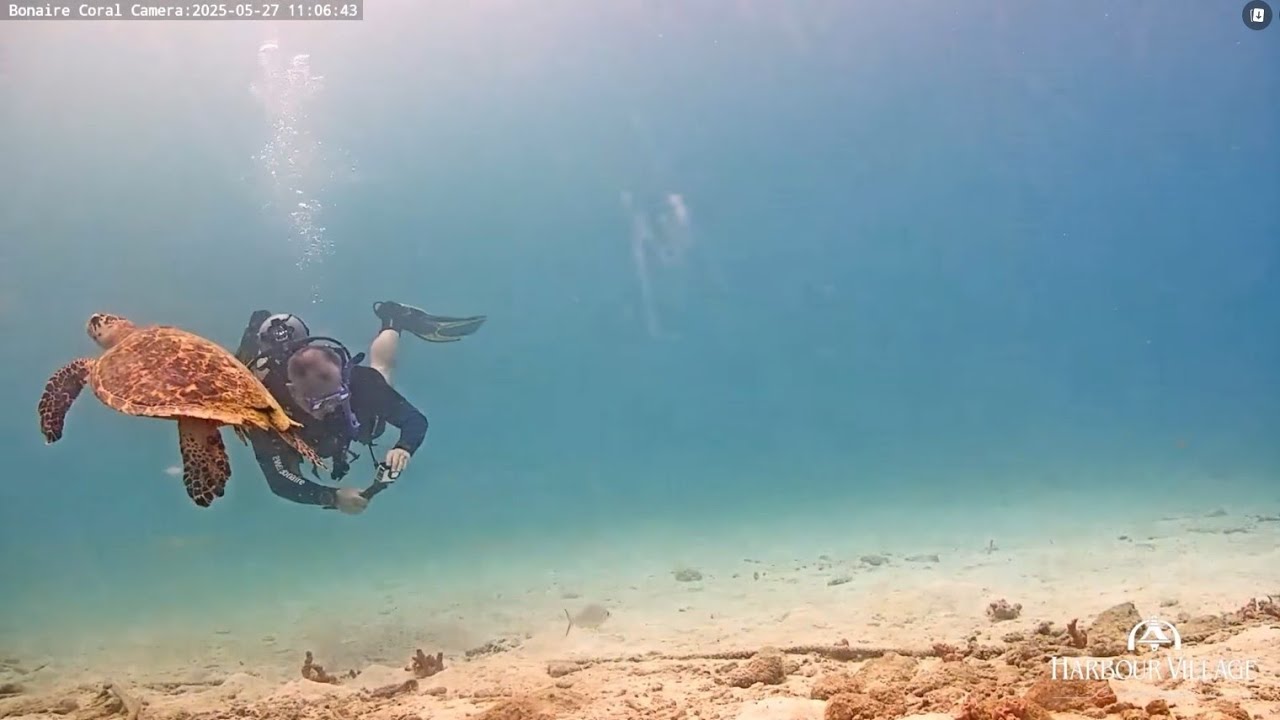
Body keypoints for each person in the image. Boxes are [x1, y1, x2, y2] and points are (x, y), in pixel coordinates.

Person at [233, 301, 485, 514]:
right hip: (298, 430)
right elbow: (280, 480)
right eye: (317, 403)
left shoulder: (361, 382)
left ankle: (393, 320)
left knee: (381, 373)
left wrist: (403, 448)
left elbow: (414, 420)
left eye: (336, 395)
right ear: (292, 392)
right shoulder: (265, 409)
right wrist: (332, 497)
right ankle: (253, 334)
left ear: (343, 376)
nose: (328, 410)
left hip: (356, 415)